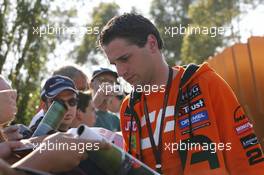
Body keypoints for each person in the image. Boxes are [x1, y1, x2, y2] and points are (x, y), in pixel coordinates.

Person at [98, 13, 264, 175]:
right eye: (115, 64)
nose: (120, 72)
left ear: (152, 44)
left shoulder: (205, 83)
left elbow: (247, 160)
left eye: (125, 59)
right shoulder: (129, 108)